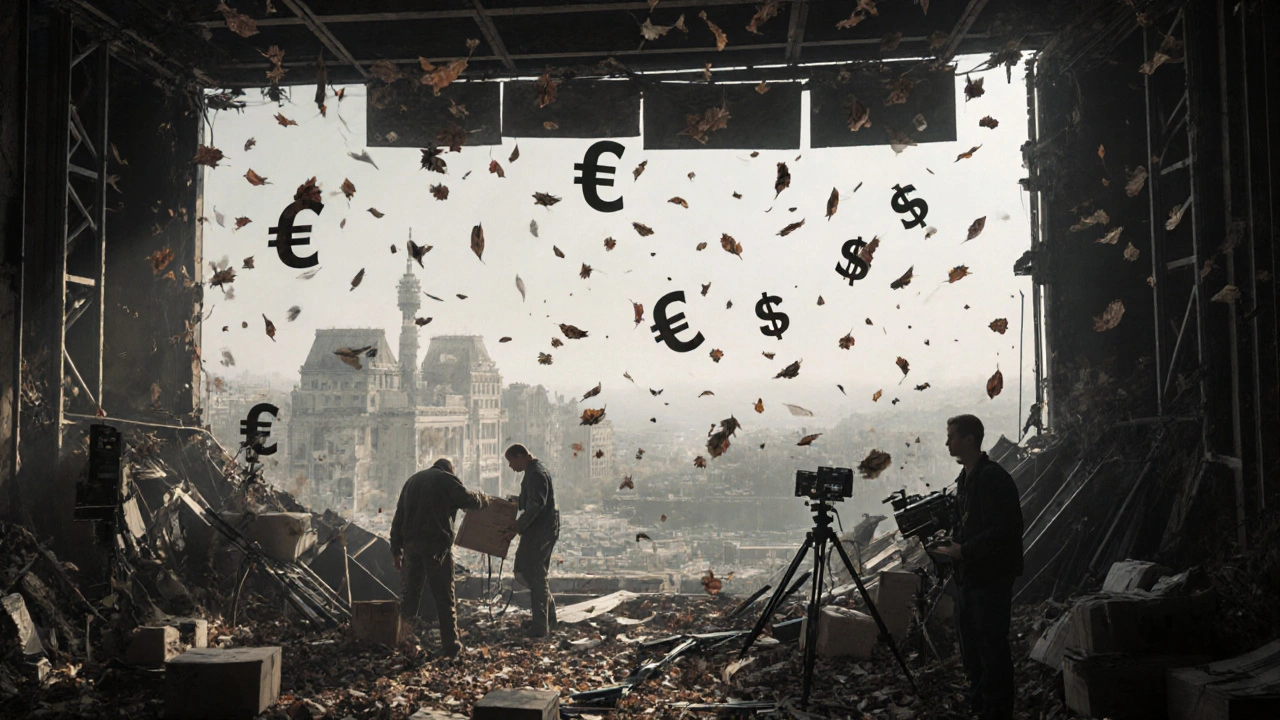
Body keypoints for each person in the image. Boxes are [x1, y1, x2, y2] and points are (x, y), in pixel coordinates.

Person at [931, 414, 1024, 720]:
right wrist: (951, 542)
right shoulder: (965, 479)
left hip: (991, 578)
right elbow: (968, 525)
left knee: (992, 650)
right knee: (971, 651)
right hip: (969, 579)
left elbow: (1006, 529)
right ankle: (981, 708)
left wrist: (964, 550)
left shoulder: (993, 478)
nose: (947, 442)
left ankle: (998, 712)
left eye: (952, 436)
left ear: (969, 439)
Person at [389, 457, 490, 657]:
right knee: (444, 597)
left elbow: (398, 517)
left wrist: (395, 550)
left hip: (411, 548)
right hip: (436, 547)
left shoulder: (412, 481)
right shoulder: (445, 479)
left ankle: (402, 641)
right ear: (449, 470)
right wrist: (484, 500)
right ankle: (451, 645)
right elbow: (468, 500)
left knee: (409, 598)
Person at [504, 443, 559, 638]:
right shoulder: (533, 472)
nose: (510, 466)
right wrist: (510, 503)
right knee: (531, 573)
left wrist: (517, 526)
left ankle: (540, 626)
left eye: (511, 461)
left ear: (520, 456)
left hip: (540, 532)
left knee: (534, 574)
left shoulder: (536, 474)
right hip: (538, 531)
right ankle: (548, 619)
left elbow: (536, 505)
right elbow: (528, 500)